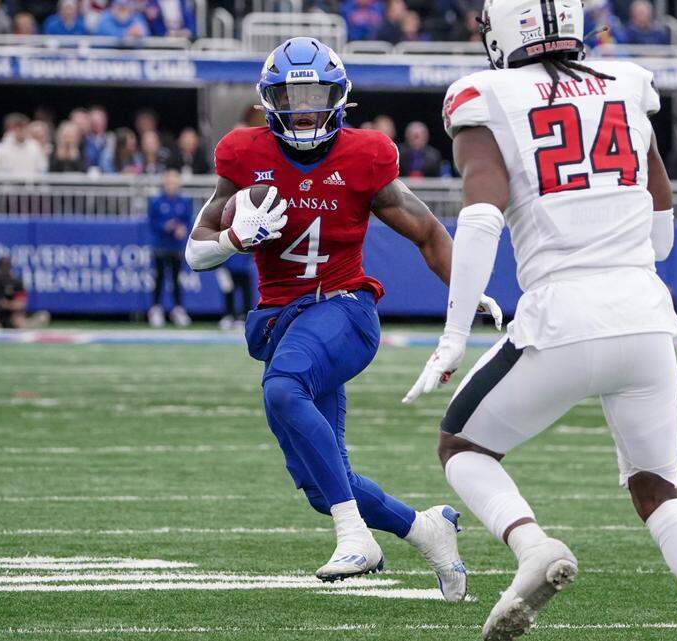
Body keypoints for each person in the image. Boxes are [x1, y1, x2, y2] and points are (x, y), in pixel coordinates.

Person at [406, 2, 677, 640]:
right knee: (658, 491)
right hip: (646, 319)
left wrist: (454, 335)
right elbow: (663, 236)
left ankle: (533, 547)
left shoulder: (486, 94)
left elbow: (480, 219)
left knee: (461, 447)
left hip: (560, 319)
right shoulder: (628, 83)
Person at [185, 37, 502, 595]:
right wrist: (235, 238)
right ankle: (427, 530)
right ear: (269, 100)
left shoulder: (365, 154)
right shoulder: (242, 154)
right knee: (320, 482)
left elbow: (426, 231)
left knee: (283, 390)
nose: (304, 107)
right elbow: (196, 248)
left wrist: (467, 289)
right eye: (292, 94)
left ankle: (356, 536)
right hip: (283, 320)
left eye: (315, 93)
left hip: (344, 310)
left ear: (339, 98)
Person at [147, 170, 193, 328]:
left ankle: (178, 309)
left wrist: (182, 229)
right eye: (169, 182)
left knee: (176, 278)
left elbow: (188, 221)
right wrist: (164, 226)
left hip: (176, 247)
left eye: (174, 182)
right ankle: (156, 308)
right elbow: (152, 222)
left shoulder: (184, 201)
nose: (172, 185)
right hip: (160, 245)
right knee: (159, 278)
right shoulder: (156, 201)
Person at [0, 256, 51, 329]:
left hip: (12, 317)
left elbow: (21, 303)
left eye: (6, 267)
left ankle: (23, 325)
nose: (4, 271)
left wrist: (7, 304)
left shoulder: (15, 282)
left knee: (42, 316)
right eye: (2, 267)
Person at [216, 253, 256, 330]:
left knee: (246, 292)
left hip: (243, 266)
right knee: (228, 291)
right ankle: (229, 315)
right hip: (228, 266)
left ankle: (244, 317)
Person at [82, 105, 115, 173]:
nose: (97, 123)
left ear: (105, 120)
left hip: (109, 177)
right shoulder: (83, 140)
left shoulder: (112, 139)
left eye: (99, 120)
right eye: (94, 120)